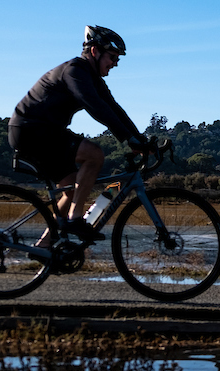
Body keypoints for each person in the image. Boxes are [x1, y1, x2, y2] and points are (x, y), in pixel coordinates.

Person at [8, 25, 148, 243]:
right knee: (94, 154)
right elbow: (96, 107)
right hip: (32, 130)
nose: (115, 63)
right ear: (95, 51)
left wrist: (140, 138)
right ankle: (74, 219)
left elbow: (114, 108)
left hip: (41, 131)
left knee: (73, 189)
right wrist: (128, 139)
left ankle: (44, 246)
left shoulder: (92, 78)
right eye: (112, 57)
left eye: (117, 59)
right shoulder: (75, 70)